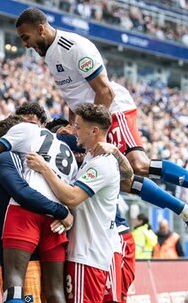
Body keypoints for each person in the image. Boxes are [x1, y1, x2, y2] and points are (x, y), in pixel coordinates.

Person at [15, 7, 188, 249]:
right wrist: (72, 124)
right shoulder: (48, 54)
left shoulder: (75, 48)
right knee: (121, 180)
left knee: (137, 165)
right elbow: (74, 96)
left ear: (40, 29)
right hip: (93, 116)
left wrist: (93, 130)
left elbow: (105, 92)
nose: (25, 44)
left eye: (26, 37)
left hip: (113, 108)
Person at [26, 103, 124, 303]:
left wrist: (45, 169)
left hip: (86, 255)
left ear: (94, 130)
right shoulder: (92, 155)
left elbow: (72, 197)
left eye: (78, 126)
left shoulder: (102, 163)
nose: (74, 131)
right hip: (89, 254)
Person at [0, 103, 76, 303]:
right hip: (56, 221)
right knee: (56, 291)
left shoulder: (21, 136)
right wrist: (64, 213)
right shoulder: (68, 151)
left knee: (15, 282)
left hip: (27, 212)